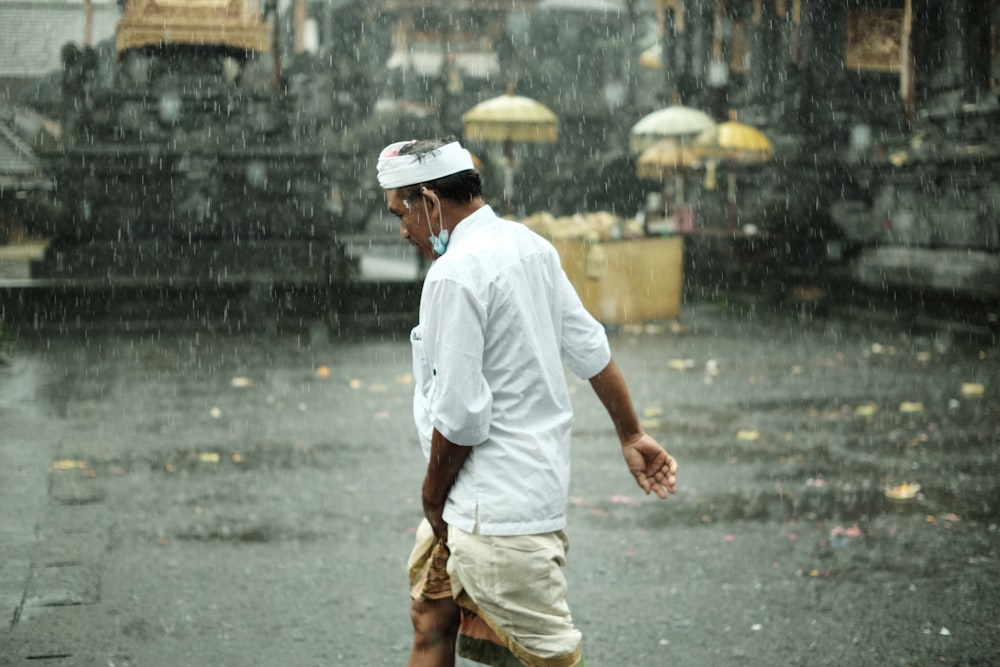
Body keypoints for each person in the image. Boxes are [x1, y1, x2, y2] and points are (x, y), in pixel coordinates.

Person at [377, 138, 679, 667]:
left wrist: (431, 496)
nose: (403, 230)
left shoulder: (453, 274)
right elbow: (592, 351)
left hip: (489, 516)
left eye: (401, 212)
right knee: (432, 615)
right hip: (485, 501)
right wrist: (631, 432)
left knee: (553, 660)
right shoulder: (528, 245)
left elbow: (464, 416)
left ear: (429, 200)